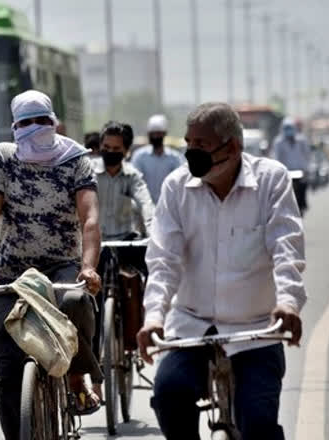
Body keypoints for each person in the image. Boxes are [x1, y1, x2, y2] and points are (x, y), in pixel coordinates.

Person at [137, 102, 306, 440]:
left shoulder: (271, 180)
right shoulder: (176, 187)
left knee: (259, 424)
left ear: (232, 147)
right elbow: (164, 260)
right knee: (169, 396)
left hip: (256, 329)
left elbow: (287, 248)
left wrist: (288, 303)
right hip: (191, 324)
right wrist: (154, 316)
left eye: (201, 145)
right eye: (188, 144)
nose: (191, 153)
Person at [0, 90, 103, 439]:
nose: (35, 129)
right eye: (26, 123)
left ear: (54, 121)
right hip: (13, 271)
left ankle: (77, 374)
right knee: (7, 364)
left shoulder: (75, 158)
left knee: (76, 301)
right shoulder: (3, 157)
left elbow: (89, 219)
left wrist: (88, 268)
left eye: (42, 121)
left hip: (62, 264)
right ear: (14, 127)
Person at [91, 120, 155, 397]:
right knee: (88, 304)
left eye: (116, 149)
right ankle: (92, 376)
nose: (110, 152)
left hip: (128, 241)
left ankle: (145, 336)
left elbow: (147, 205)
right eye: (106, 147)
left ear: (127, 151)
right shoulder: (89, 174)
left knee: (151, 280)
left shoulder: (133, 177)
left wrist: (153, 232)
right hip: (96, 243)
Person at [132, 114, 185, 203]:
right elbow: (135, 183)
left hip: (168, 206)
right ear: (148, 135)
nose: (155, 137)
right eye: (153, 134)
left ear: (164, 134)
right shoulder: (139, 157)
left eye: (158, 134)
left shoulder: (175, 158)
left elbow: (179, 183)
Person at [273, 117, 311, 214]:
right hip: (286, 171)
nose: (288, 130)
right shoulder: (278, 142)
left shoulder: (301, 140)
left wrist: (306, 169)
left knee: (303, 186)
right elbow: (277, 157)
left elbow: (307, 154)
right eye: (286, 128)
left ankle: (303, 204)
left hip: (299, 170)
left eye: (290, 127)